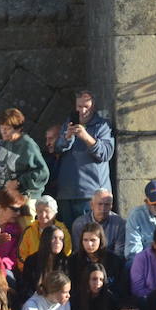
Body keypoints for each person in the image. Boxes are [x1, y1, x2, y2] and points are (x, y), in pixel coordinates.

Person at [46, 90, 115, 218]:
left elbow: (105, 154)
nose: (82, 111)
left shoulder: (102, 126)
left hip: (91, 194)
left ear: (93, 107)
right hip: (66, 194)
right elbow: (56, 150)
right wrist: (67, 138)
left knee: (90, 234)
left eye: (86, 107)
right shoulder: (68, 123)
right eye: (79, 106)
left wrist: (85, 136)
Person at [0, 108, 49, 197]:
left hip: (25, 198)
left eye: (8, 128)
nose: (3, 131)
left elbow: (43, 172)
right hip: (7, 197)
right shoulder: (5, 142)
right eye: (2, 127)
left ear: (19, 129)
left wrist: (19, 182)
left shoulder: (28, 145)